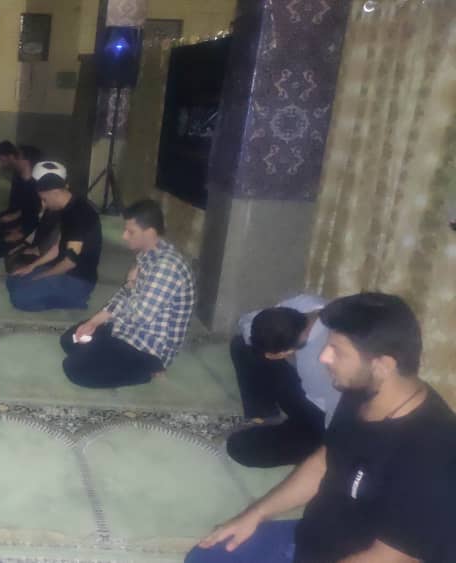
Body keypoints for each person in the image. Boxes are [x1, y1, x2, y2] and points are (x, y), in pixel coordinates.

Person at [187, 293, 456, 563]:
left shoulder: (432, 452)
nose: (323, 357)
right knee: (203, 557)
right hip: (309, 540)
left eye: (338, 351)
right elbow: (323, 463)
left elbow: (391, 557)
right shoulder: (360, 391)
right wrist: (255, 514)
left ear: (383, 366)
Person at [61, 199, 195, 387]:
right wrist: (94, 322)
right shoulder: (147, 255)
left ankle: (145, 372)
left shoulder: (167, 268)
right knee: (69, 339)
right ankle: (102, 352)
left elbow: (139, 316)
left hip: (147, 349)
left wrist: (131, 285)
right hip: (126, 330)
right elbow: (123, 296)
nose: (124, 236)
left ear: (149, 233)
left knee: (74, 369)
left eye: (130, 232)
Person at [226, 295, 341, 468]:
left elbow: (334, 414)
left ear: (281, 353)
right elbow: (247, 320)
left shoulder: (317, 363)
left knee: (239, 448)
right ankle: (264, 415)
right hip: (310, 390)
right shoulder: (306, 303)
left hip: (325, 416)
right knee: (242, 345)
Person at [6, 162, 101, 311]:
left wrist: (41, 276)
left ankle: (76, 301)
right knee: (13, 280)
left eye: (44, 199)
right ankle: (49, 290)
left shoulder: (80, 215)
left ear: (55, 193)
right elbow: (57, 248)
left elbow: (69, 263)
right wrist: (31, 267)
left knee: (19, 298)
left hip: (77, 280)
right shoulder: (67, 208)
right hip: (63, 270)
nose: (43, 205)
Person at [0, 141, 44, 258]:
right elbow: (20, 206)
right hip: (19, 219)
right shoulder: (18, 177)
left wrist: (21, 231)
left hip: (27, 228)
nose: (15, 159)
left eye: (18, 157)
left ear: (26, 161)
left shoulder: (36, 186)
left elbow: (36, 216)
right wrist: (13, 216)